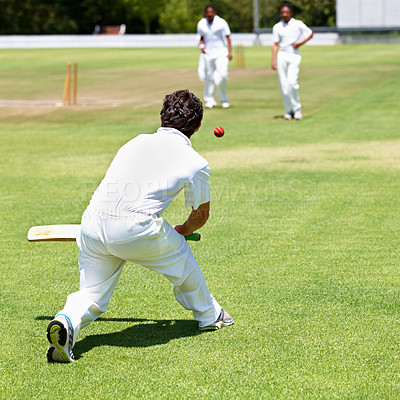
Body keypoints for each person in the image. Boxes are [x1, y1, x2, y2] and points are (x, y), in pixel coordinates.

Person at [46, 90, 234, 363]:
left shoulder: (134, 142)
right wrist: (182, 230)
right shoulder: (196, 162)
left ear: (161, 117)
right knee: (182, 261)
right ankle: (210, 315)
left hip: (92, 224)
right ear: (198, 126)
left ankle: (66, 322)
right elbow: (200, 215)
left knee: (92, 294)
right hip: (136, 229)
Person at [271, 3, 313, 120]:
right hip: (282, 55)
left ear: (291, 13)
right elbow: (275, 44)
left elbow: (310, 34)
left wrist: (300, 43)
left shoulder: (298, 24)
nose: (284, 14)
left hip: (294, 55)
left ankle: (297, 109)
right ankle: (288, 110)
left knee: (292, 83)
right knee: (284, 85)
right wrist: (273, 60)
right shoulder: (277, 27)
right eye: (282, 12)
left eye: (287, 12)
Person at [197, 5, 232, 109]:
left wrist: (229, 52)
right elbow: (200, 38)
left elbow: (228, 37)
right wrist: (202, 47)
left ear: (214, 12)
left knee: (222, 76)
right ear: (205, 13)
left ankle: (223, 99)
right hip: (208, 53)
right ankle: (210, 99)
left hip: (221, 52)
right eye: (208, 12)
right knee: (209, 77)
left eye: (211, 12)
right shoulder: (201, 23)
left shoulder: (221, 22)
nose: (209, 14)